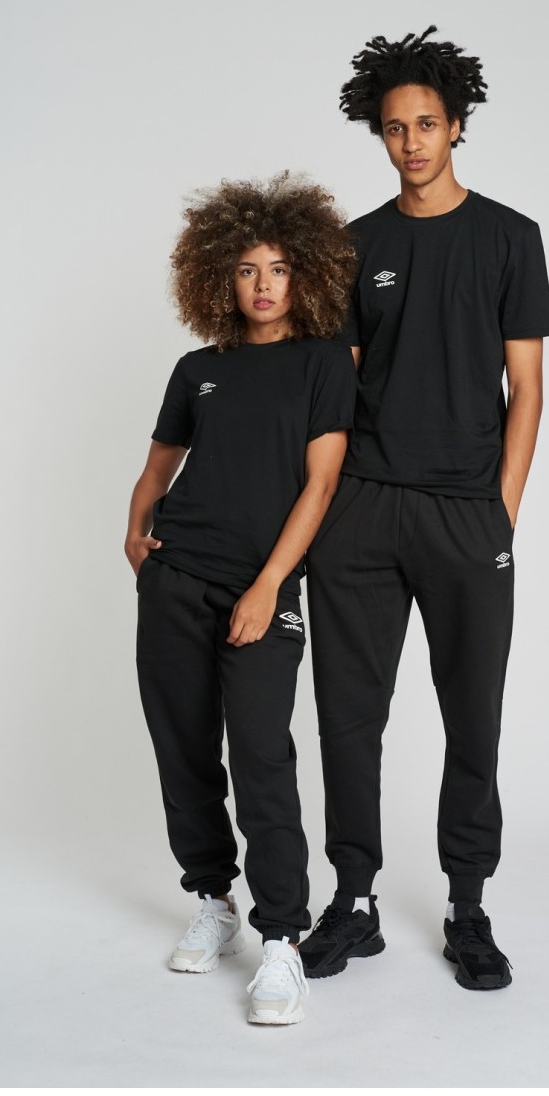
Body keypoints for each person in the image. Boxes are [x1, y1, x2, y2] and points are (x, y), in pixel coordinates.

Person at [300, 27, 549, 991]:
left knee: (472, 718)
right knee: (347, 717)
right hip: (362, 511)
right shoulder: (354, 245)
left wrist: (501, 510)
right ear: (380, 134)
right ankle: (353, 901)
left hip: (465, 515)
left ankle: (467, 906)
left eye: (425, 124)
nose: (409, 142)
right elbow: (336, 390)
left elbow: (527, 389)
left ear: (456, 127)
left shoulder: (509, 238)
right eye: (394, 128)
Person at [126, 173, 357, 1025]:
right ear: (220, 275)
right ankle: (214, 899)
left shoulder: (324, 363)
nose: (263, 284)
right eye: (248, 269)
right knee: (183, 747)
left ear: (306, 276)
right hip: (177, 578)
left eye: (279, 269)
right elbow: (158, 466)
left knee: (261, 755)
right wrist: (135, 534)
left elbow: (321, 484)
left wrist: (267, 586)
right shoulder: (198, 369)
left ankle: (283, 939)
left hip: (262, 584)